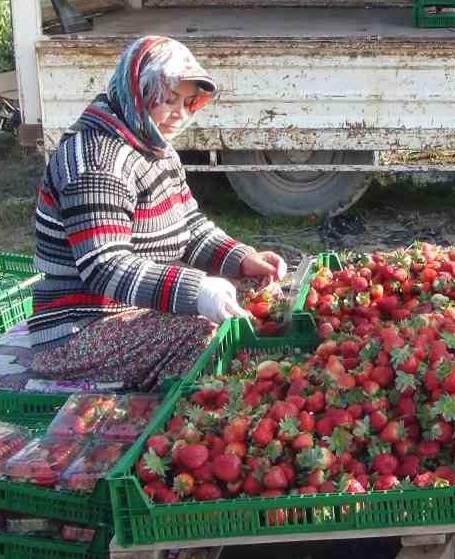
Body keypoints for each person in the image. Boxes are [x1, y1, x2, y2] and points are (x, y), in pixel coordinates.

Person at [27, 36, 287, 390]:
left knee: (258, 289)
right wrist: (196, 290)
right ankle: (188, 416)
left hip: (132, 310)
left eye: (187, 101)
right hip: (81, 330)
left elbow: (189, 227)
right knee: (207, 332)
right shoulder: (96, 162)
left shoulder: (154, 148)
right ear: (138, 92)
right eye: (168, 99)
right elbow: (105, 266)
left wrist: (242, 259)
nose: (179, 113)